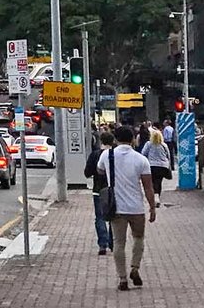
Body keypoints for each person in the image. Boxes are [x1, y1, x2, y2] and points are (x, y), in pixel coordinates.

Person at [105, 124, 157, 292]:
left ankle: (122, 279)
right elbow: (148, 187)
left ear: (115, 139)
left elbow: (98, 170)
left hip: (116, 208)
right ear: (133, 140)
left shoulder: (107, 155)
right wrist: (152, 207)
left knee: (118, 243)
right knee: (139, 238)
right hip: (136, 208)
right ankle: (135, 268)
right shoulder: (141, 159)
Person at [86, 130, 114, 255]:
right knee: (114, 216)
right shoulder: (115, 154)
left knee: (100, 217)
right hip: (114, 190)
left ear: (101, 141)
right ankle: (113, 243)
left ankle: (103, 244)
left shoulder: (95, 155)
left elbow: (87, 173)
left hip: (98, 190)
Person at [141, 126, 173, 208]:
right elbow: (168, 156)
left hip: (151, 166)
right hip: (163, 167)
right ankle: (157, 197)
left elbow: (143, 154)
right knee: (158, 182)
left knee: (152, 183)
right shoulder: (164, 145)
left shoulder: (148, 144)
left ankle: (154, 199)